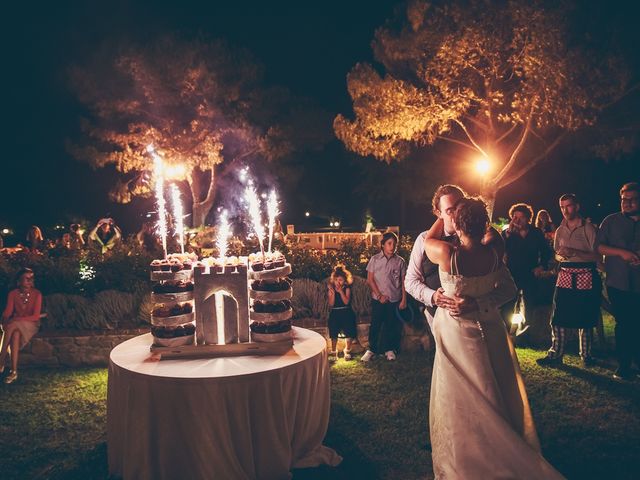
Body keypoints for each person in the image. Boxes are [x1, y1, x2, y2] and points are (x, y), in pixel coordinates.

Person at [424, 197, 564, 479]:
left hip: (458, 333)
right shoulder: (494, 251)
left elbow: (429, 237)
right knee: (492, 389)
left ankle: (472, 456)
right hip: (491, 328)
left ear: (457, 224)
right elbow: (508, 289)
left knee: (461, 397)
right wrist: (480, 304)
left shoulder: (447, 254)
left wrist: (443, 213)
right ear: (484, 224)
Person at [405, 184, 509, 330]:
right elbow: (410, 281)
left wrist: (477, 304)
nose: (456, 215)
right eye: (450, 210)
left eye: (459, 208)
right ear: (438, 212)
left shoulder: (483, 242)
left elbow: (507, 288)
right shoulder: (422, 239)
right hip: (436, 318)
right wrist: (433, 296)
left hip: (479, 322)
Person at [537, 194, 600, 368]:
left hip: (585, 274)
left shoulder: (589, 228)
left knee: (585, 316)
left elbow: (597, 255)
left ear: (577, 206)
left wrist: (574, 251)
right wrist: (561, 255)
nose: (565, 210)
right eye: (562, 207)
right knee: (558, 316)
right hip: (565, 274)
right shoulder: (560, 230)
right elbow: (557, 254)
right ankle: (555, 354)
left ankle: (586, 355)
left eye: (569, 206)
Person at [595, 182, 640, 381]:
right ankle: (623, 365)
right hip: (618, 282)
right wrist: (622, 253)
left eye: (632, 200)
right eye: (624, 200)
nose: (627, 204)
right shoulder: (610, 221)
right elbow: (598, 247)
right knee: (623, 323)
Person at [501, 203, 552, 331]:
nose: (517, 220)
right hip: (512, 273)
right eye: (515, 217)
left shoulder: (536, 233)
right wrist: (507, 235)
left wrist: (542, 266)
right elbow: (499, 250)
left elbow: (546, 251)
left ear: (528, 218)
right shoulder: (507, 233)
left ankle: (527, 333)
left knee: (529, 304)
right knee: (508, 305)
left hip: (530, 273)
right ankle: (506, 334)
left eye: (521, 217)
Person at [363, 232, 407, 361]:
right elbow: (370, 280)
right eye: (389, 243)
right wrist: (379, 295)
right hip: (378, 299)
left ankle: (389, 349)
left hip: (394, 299)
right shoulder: (374, 259)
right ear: (383, 245)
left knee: (391, 325)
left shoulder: (400, 262)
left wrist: (404, 299)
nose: (392, 246)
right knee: (375, 324)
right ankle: (371, 350)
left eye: (394, 244)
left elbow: (404, 282)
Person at [0, 268, 43, 384]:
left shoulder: (37, 294)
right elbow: (8, 311)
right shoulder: (13, 294)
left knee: (13, 324)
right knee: (15, 334)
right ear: (19, 281)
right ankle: (14, 372)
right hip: (15, 326)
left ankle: (1, 360)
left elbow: (35, 317)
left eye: (32, 278)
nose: (30, 281)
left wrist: (16, 320)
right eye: (27, 278)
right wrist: (3, 321)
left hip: (31, 324)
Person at [327, 264, 358, 361]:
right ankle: (333, 351)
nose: (338, 282)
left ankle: (347, 350)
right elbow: (331, 304)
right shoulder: (331, 290)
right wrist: (332, 293)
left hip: (346, 311)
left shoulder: (347, 289)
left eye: (340, 280)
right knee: (333, 332)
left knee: (349, 331)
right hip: (335, 312)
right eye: (336, 280)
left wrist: (341, 292)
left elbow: (346, 302)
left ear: (345, 280)